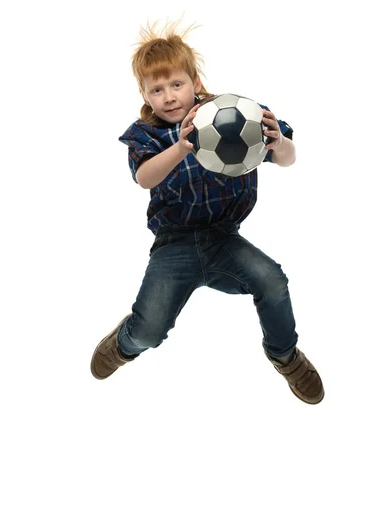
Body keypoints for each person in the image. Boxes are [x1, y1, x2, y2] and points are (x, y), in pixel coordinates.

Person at [90, 19, 324, 404]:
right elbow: (145, 178)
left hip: (224, 237)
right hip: (174, 244)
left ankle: (285, 354)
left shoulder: (235, 117)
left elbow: (288, 158)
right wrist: (181, 148)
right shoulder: (146, 133)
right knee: (151, 330)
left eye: (176, 84)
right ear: (146, 96)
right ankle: (126, 342)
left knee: (272, 281)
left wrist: (278, 141)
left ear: (196, 83)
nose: (168, 96)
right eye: (157, 89)